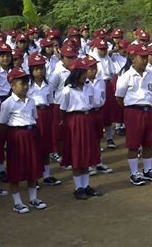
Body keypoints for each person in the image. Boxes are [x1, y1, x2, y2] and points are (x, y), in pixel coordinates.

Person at [0, 67, 47, 213]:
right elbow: (2, 124)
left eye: (26, 83)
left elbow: (34, 118)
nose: (25, 86)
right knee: (16, 170)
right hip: (16, 137)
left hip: (31, 134)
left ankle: (33, 199)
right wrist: (10, 139)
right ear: (12, 85)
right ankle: (18, 202)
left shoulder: (31, 101)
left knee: (32, 168)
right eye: (21, 83)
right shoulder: (7, 103)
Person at [115, 44, 152, 186]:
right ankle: (134, 173)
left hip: (148, 110)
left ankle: (148, 170)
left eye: (145, 57)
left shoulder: (151, 74)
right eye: (141, 57)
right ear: (132, 58)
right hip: (133, 111)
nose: (145, 60)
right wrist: (130, 109)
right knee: (133, 144)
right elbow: (119, 97)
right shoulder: (126, 76)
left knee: (148, 142)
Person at [59, 58, 102, 200]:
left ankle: (86, 185)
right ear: (76, 74)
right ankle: (78, 187)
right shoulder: (67, 90)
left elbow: (95, 102)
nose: (85, 75)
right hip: (75, 122)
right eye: (82, 73)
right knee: (77, 154)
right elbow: (63, 111)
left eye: (86, 72)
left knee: (87, 153)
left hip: (88, 119)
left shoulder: (90, 86)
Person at [26, 53, 62, 186]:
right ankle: (33, 177)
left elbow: (51, 101)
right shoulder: (28, 86)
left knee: (46, 146)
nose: (39, 71)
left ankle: (47, 175)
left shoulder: (48, 85)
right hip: (33, 116)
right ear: (30, 70)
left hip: (46, 115)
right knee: (34, 147)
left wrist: (52, 118)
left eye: (41, 68)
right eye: (35, 69)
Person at [48, 43, 77, 163]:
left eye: (73, 57)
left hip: (72, 105)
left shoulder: (75, 70)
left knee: (70, 130)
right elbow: (50, 89)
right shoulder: (57, 72)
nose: (71, 60)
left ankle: (70, 154)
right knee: (59, 131)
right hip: (59, 104)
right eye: (68, 57)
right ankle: (59, 154)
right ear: (62, 57)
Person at [84, 55, 113, 175]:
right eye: (91, 68)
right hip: (87, 113)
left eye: (95, 67)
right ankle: (88, 163)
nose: (94, 70)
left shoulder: (100, 81)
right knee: (88, 139)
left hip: (98, 111)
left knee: (97, 138)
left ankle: (98, 161)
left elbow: (103, 96)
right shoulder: (83, 83)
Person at [89, 38, 116, 150]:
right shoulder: (91, 58)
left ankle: (109, 138)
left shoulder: (107, 58)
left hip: (106, 84)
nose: (103, 51)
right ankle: (96, 140)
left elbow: (112, 72)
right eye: (101, 49)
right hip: (93, 84)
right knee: (96, 113)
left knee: (107, 113)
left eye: (105, 49)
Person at [0, 42, 13, 183]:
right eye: (2, 56)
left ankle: (14, 167)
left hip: (13, 103)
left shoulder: (15, 71)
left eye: (7, 55)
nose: (5, 59)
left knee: (12, 136)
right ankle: (1, 168)